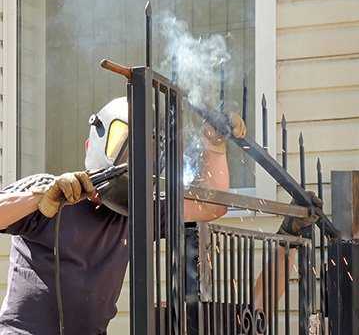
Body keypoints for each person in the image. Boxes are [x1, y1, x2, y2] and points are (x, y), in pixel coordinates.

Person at [0, 97, 247, 334]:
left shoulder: (136, 212)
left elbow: (211, 206)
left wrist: (213, 145)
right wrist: (39, 197)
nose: (133, 158)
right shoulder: (50, 191)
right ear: (92, 145)